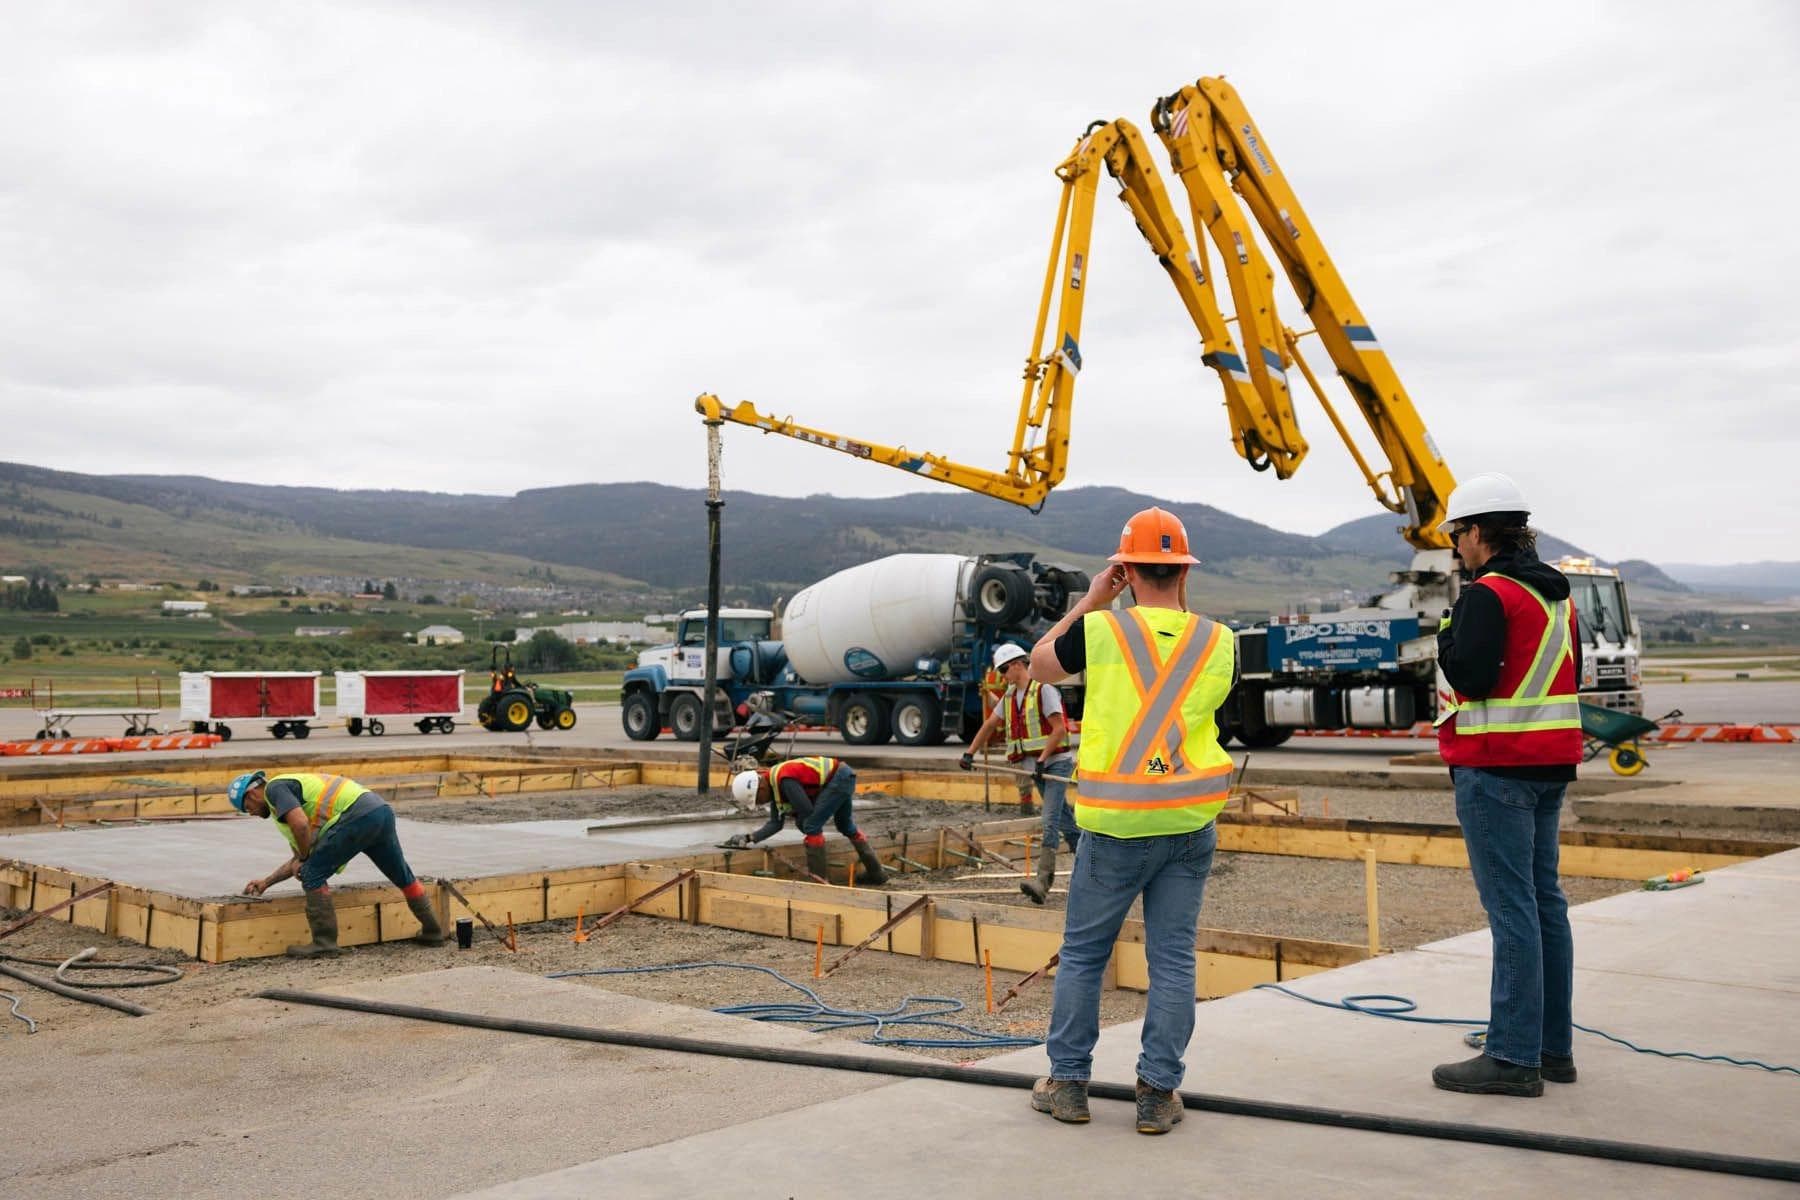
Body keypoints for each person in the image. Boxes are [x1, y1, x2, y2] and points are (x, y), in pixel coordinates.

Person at [1027, 507, 1236, 1135]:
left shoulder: (1100, 631)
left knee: (1085, 955)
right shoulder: (1219, 640)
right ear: (1183, 572)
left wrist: (1093, 599)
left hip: (1117, 826)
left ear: (1126, 570)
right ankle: (1157, 1095)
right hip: (1188, 823)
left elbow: (1038, 664)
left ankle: (1068, 1085)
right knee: (1172, 960)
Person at [1431, 472, 1583, 1098]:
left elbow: (1471, 676)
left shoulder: (1487, 594)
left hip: (1496, 768)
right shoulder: (1556, 597)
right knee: (1544, 903)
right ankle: (1551, 1048)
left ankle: (1513, 1058)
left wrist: (1445, 637)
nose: (1455, 546)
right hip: (1550, 764)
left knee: (1512, 909)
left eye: (1456, 534)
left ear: (1477, 532)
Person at [232, 770, 445, 957]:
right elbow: (298, 858)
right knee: (402, 875)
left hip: (357, 815)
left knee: (312, 873)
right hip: (379, 811)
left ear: (252, 794)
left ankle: (324, 942)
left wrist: (305, 861)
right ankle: (433, 931)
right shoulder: (288, 806)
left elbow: (302, 831)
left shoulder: (275, 789)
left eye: (246, 807)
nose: (250, 812)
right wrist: (266, 882)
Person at [960, 641, 1080, 903]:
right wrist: (970, 753)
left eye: (1004, 670)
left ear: (1017, 665)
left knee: (1049, 820)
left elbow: (1059, 729)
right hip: (1037, 768)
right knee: (1064, 821)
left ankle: (1042, 883)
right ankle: (1090, 865)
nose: (1002, 676)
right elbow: (989, 725)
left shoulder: (1044, 691)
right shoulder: (1010, 697)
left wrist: (1043, 759)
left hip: (1055, 764)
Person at [720, 756, 887, 885]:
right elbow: (776, 824)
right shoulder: (774, 784)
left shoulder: (784, 780)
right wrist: (748, 838)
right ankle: (876, 873)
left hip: (838, 778)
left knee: (810, 825)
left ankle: (819, 883)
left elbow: (807, 811)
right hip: (842, 776)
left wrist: (797, 818)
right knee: (845, 825)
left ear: (761, 788)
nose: (759, 804)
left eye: (757, 800)